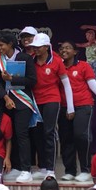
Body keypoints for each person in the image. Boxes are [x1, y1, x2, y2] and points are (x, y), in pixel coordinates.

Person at [58, 41, 96, 182]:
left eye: (68, 48)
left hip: (83, 105)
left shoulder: (83, 66)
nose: (64, 50)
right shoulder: (58, 67)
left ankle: (85, 170)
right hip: (64, 107)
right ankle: (70, 171)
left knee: (81, 136)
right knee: (66, 139)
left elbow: (93, 85)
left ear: (75, 52)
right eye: (62, 48)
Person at [0, 30, 38, 183]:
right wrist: (5, 98)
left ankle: (26, 170)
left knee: (22, 134)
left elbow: (32, 80)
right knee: (10, 135)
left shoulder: (25, 58)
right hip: (6, 102)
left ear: (10, 44)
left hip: (23, 101)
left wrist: (12, 78)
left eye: (2, 45)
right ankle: (15, 167)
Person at [29, 33, 74, 179]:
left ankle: (50, 170)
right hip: (36, 101)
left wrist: (70, 107)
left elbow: (66, 84)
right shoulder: (31, 60)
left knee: (49, 133)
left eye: (38, 47)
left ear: (46, 47)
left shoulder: (56, 61)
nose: (36, 49)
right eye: (34, 47)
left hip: (52, 99)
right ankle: (42, 167)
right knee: (38, 134)